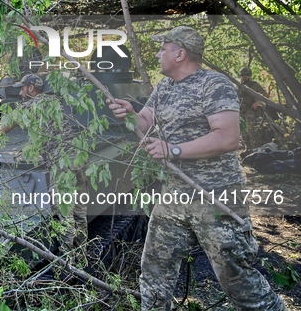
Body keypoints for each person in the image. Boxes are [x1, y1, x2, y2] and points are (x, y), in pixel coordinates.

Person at [107, 26, 287, 311]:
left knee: (237, 280)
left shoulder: (215, 84)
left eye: (162, 48)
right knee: (154, 272)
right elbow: (144, 122)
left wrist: (172, 150)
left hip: (216, 197)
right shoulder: (164, 87)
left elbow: (228, 138)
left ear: (180, 53)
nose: (157, 53)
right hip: (175, 196)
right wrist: (129, 114)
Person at [0, 73, 88, 253]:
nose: (20, 93)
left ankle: (68, 261)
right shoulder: (53, 102)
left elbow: (4, 129)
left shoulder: (31, 105)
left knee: (64, 214)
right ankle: (82, 255)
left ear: (31, 88)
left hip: (61, 165)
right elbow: (45, 131)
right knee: (79, 213)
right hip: (75, 160)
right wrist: (27, 149)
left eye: (22, 89)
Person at [238, 66, 269, 149]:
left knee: (252, 131)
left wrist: (258, 101)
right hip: (240, 110)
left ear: (249, 75)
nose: (244, 76)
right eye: (242, 75)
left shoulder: (254, 84)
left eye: (246, 74)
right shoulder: (239, 85)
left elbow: (265, 94)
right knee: (243, 130)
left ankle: (256, 149)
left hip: (250, 111)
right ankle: (247, 148)